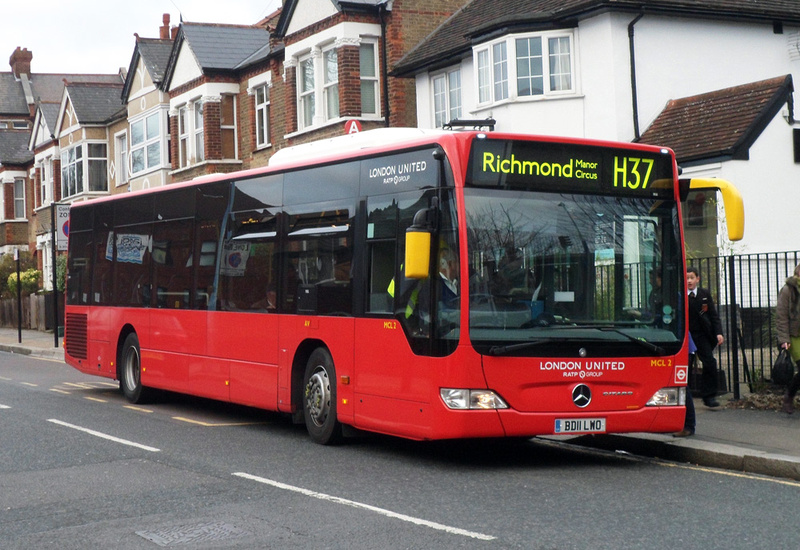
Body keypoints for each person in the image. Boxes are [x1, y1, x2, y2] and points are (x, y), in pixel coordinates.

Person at [686, 266, 724, 408]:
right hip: (687, 336)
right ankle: (685, 396)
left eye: (692, 277)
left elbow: (713, 315)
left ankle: (709, 396)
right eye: (687, 278)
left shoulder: (704, 294)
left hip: (702, 335)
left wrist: (718, 332)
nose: (689, 281)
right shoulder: (680, 295)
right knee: (686, 366)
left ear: (697, 279)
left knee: (710, 363)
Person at [776, 263, 800, 414]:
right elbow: (782, 316)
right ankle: (789, 397)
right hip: (794, 335)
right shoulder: (788, 290)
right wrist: (784, 338)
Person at [673, 333, 697, 437]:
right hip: (684, 349)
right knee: (682, 387)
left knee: (682, 387)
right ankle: (687, 425)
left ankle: (689, 426)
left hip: (683, 350)